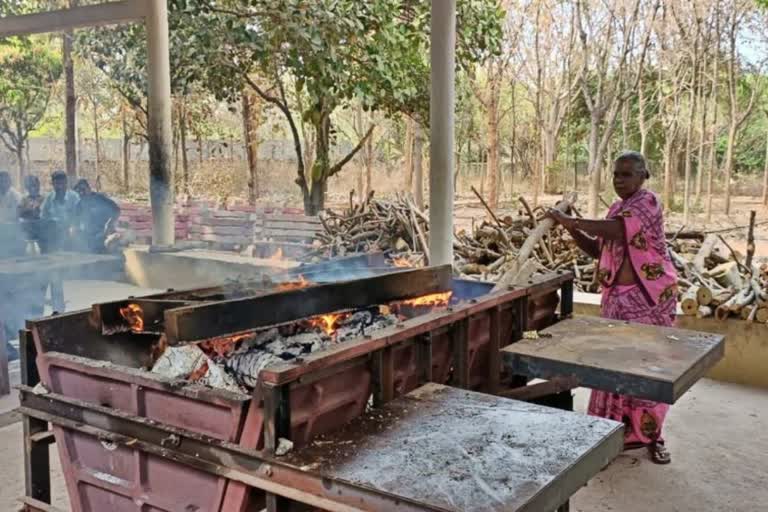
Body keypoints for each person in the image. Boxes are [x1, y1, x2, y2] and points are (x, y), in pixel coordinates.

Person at [545, 151, 677, 465]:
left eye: (627, 174)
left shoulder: (648, 203)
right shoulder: (617, 208)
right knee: (614, 368)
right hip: (617, 301)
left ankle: (652, 436)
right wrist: (570, 229)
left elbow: (618, 231)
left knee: (646, 370)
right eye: (616, 174)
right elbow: (598, 248)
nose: (619, 180)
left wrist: (571, 219)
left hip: (648, 301)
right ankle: (610, 433)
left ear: (644, 175)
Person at [73, 178, 120, 253]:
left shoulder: (100, 198)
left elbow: (116, 210)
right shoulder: (79, 205)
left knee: (109, 243)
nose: (81, 193)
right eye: (78, 191)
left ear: (88, 188)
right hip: (89, 236)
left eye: (83, 189)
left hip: (104, 233)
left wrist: (110, 223)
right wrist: (75, 230)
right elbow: (75, 223)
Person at [40, 170, 79, 251]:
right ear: (53, 184)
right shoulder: (49, 198)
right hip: (53, 235)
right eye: (57, 184)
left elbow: (80, 217)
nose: (60, 187)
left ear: (66, 184)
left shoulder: (74, 197)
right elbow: (43, 218)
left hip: (71, 234)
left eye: (62, 184)